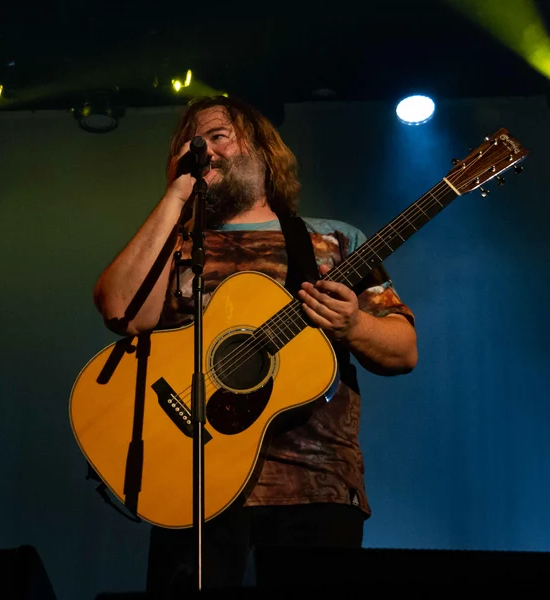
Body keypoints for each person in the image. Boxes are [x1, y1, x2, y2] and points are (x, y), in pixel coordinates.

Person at [93, 96, 418, 591]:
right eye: (190, 142)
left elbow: (404, 350)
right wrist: (177, 195)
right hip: (190, 483)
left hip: (315, 486)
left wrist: (354, 326)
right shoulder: (173, 241)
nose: (201, 149)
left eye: (217, 135)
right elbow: (121, 311)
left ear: (263, 150)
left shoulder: (331, 240)